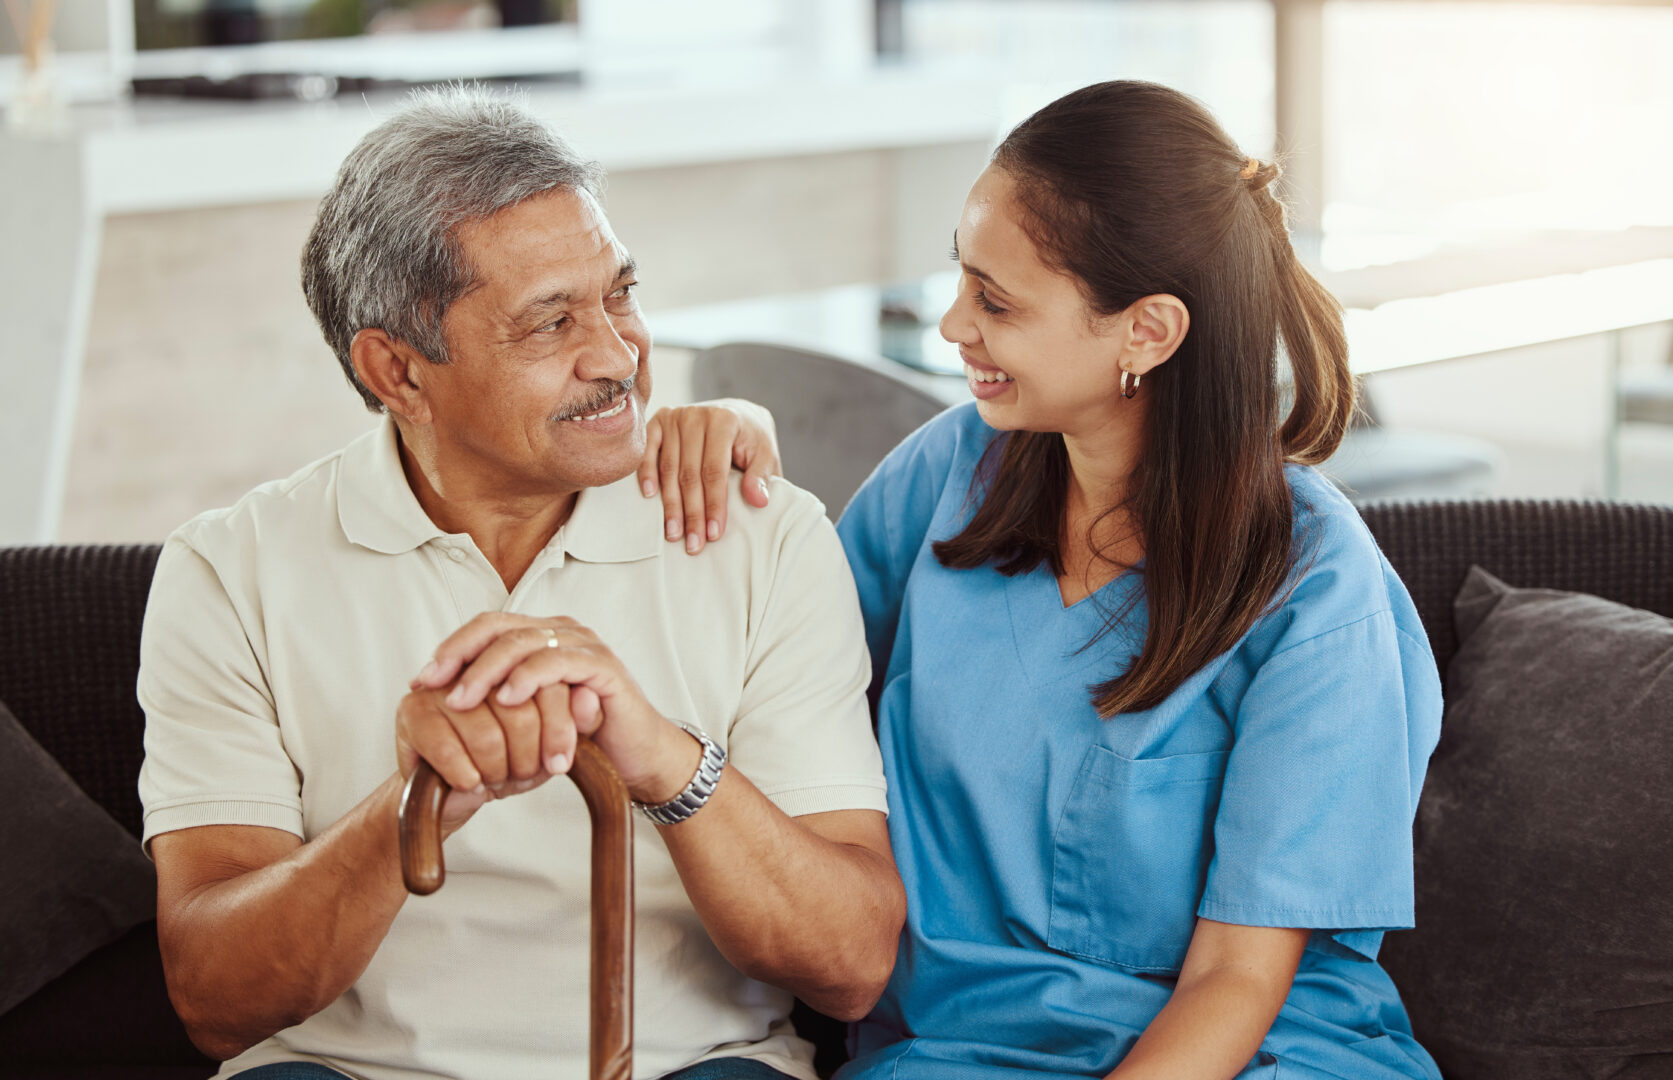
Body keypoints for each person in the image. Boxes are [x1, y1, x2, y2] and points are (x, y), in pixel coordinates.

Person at [640, 81, 1444, 1080]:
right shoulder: (942, 481)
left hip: (1246, 1054)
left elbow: (1234, 978)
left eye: (995, 302)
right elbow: (776, 670)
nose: (949, 326)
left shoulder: (1311, 585)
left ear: (1144, 332)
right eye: (960, 279)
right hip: (961, 1056)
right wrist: (748, 449)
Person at [137, 85, 904, 1080]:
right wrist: (414, 807)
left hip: (689, 1067)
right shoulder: (228, 570)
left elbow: (849, 968)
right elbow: (214, 1002)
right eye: (549, 325)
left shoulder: (761, 535)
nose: (619, 354)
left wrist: (663, 760)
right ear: (396, 372)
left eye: (619, 294)